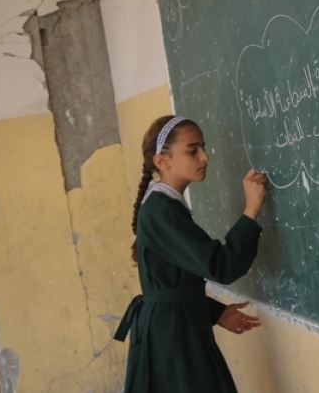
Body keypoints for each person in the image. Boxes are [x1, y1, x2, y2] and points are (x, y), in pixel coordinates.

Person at [114, 115, 269, 393]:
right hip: (173, 337)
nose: (205, 157)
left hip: (174, 327)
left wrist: (215, 312)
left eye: (203, 148)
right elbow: (221, 266)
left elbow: (174, 281)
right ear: (162, 161)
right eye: (192, 150)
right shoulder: (161, 210)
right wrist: (251, 211)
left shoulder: (163, 206)